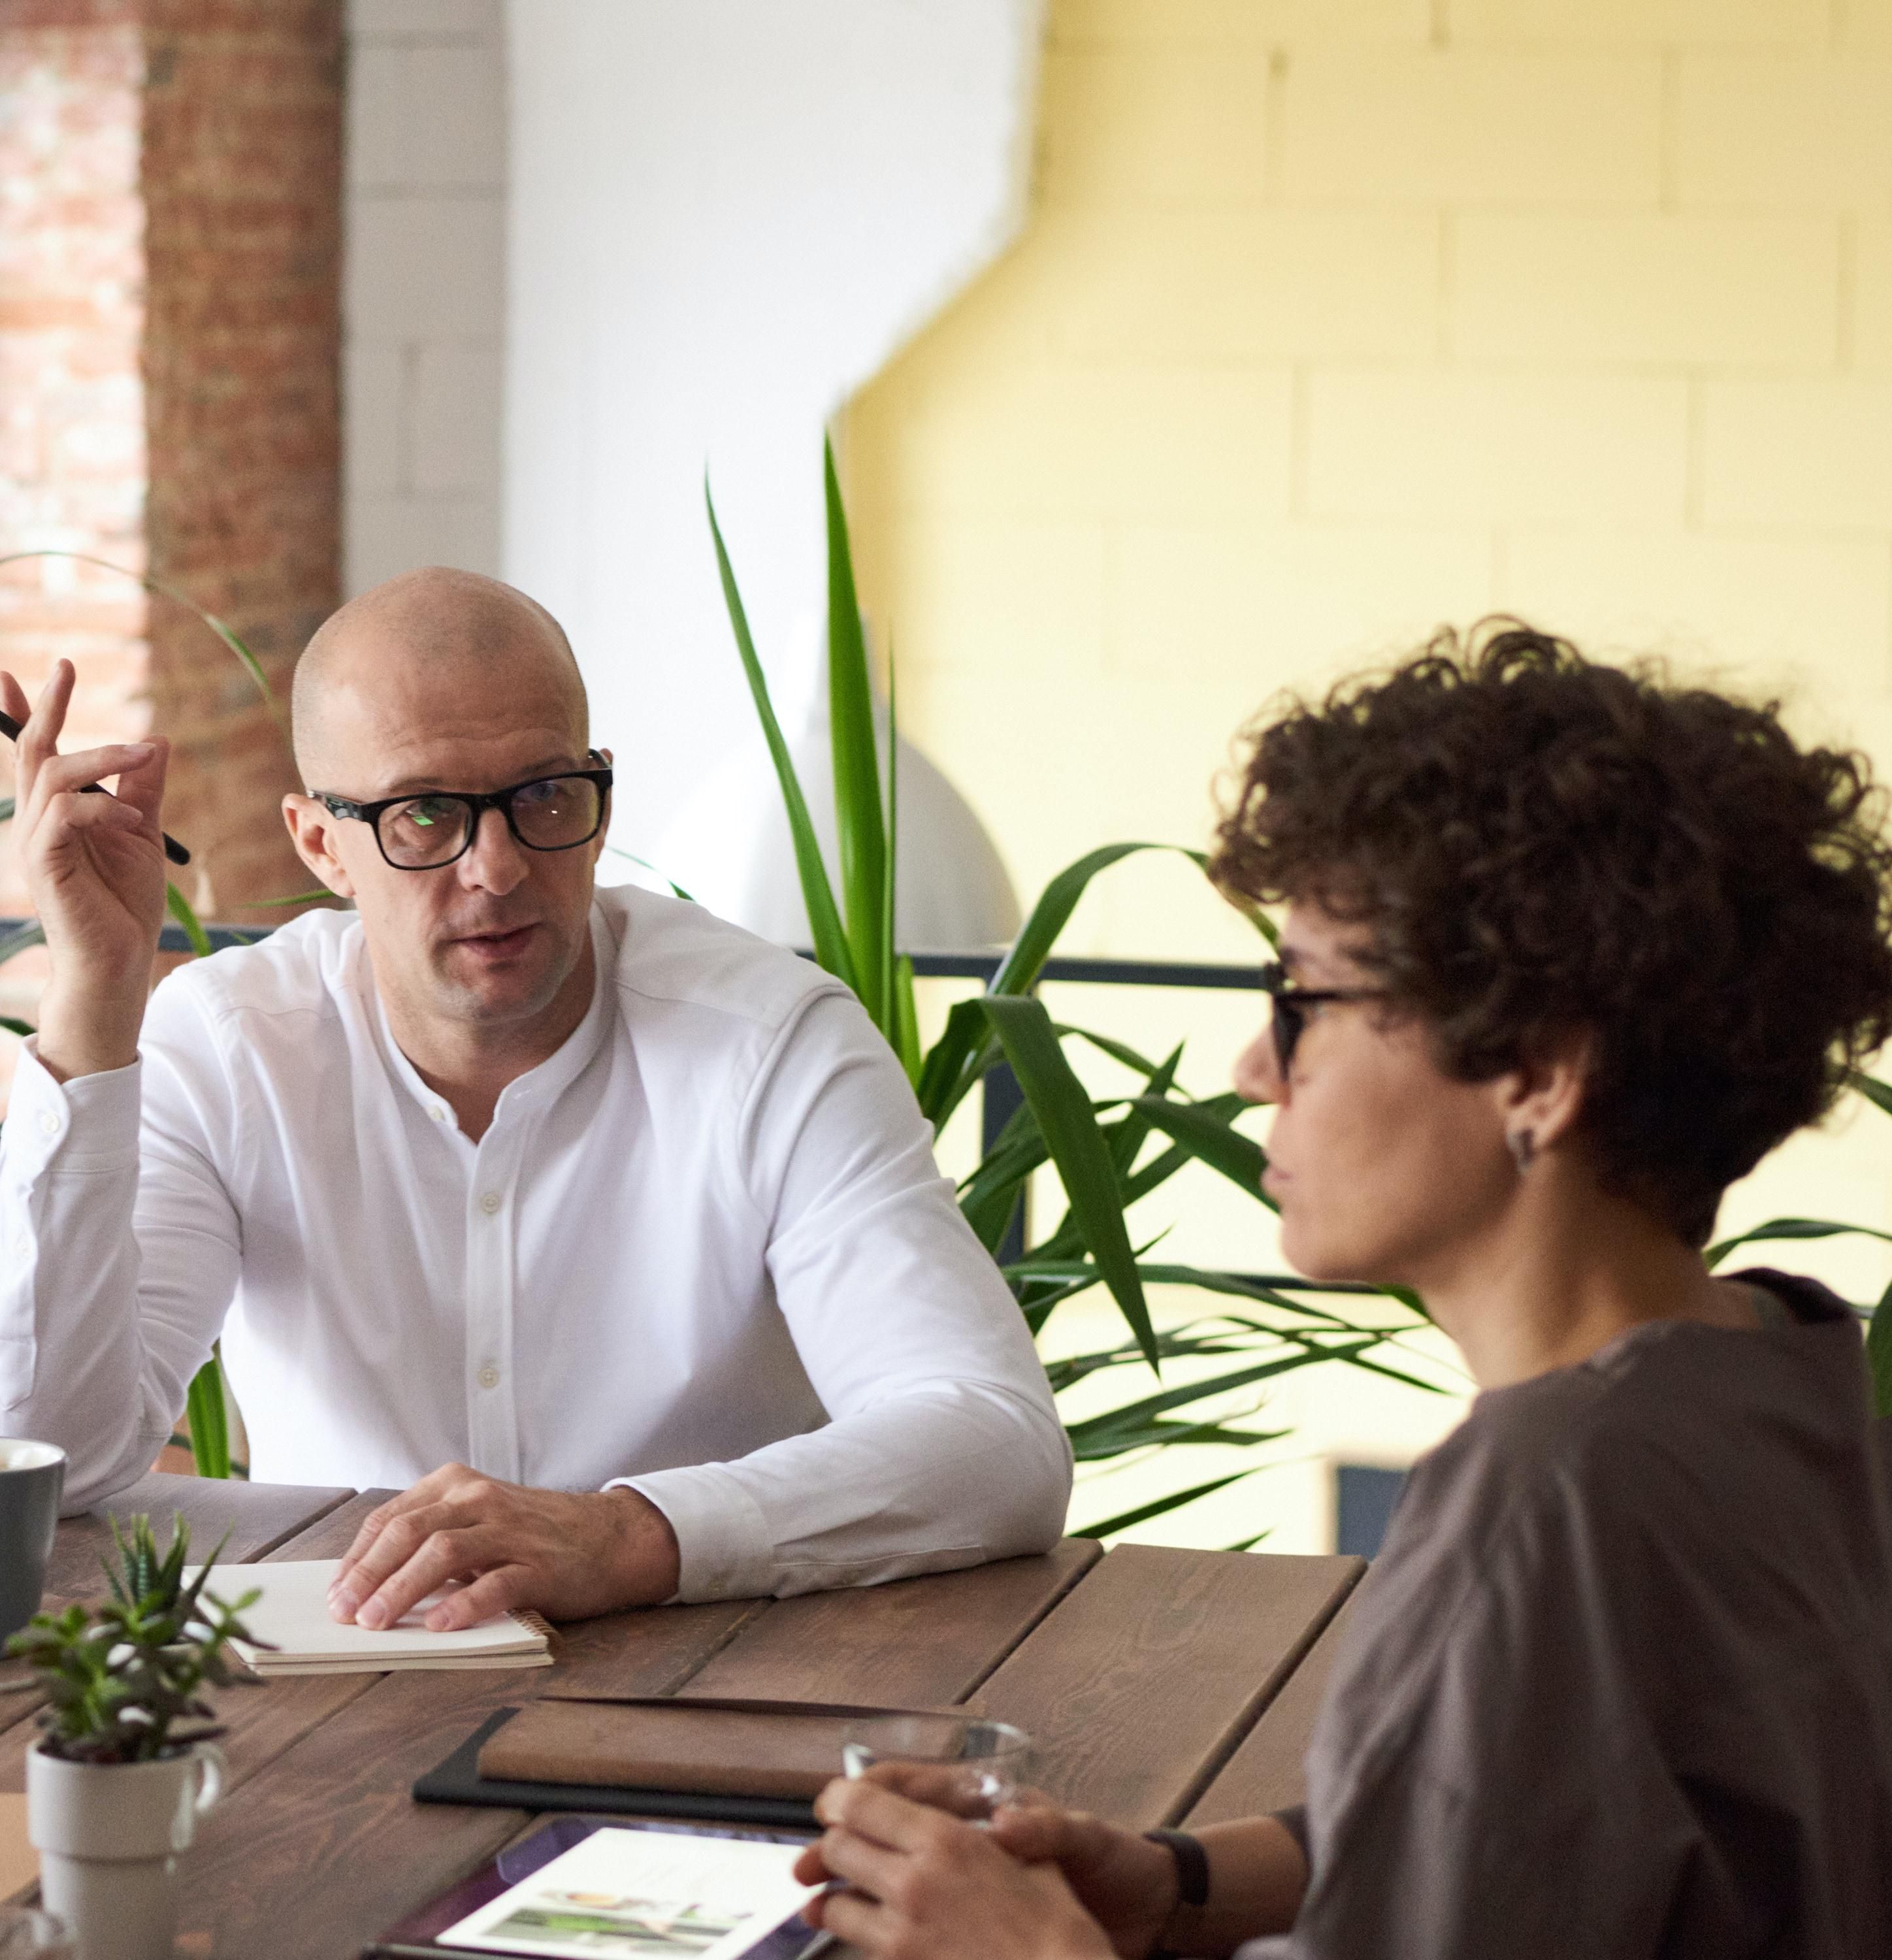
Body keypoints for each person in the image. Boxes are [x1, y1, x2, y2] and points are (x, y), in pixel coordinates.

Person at [795, 625, 1892, 1959]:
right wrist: (1172, 1883)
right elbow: (1531, 1834)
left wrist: (1029, 1948)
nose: (1259, 1062)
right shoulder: (1782, 1370)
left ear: (1539, 1071)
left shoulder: (1544, 1502)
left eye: (1307, 998)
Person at [0, 567, 1068, 1629]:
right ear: (322, 844)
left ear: (599, 793)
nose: (498, 868)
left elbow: (994, 1442)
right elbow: (31, 1463)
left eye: (542, 796)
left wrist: (624, 1537)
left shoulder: (769, 1043)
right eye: (425, 814)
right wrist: (93, 997)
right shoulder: (233, 1047)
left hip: (711, 1678)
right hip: (343, 1691)